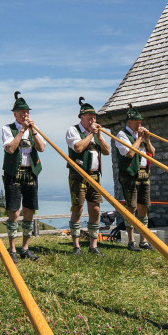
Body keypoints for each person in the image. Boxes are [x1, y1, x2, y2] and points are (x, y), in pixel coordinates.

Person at [1, 91, 43, 261]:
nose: (25, 115)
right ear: (15, 114)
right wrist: (22, 131)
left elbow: (41, 148)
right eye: (22, 112)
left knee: (29, 210)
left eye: (27, 112)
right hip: (14, 173)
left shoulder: (34, 129)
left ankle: (25, 248)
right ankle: (12, 249)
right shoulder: (7, 128)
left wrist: (32, 131)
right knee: (14, 212)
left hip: (31, 172)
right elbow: (10, 149)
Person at [65, 97, 110, 255]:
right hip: (78, 175)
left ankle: (93, 245)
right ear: (82, 118)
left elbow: (106, 151)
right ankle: (76, 246)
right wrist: (91, 134)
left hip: (95, 176)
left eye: (95, 117)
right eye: (90, 117)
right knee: (78, 208)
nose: (93, 120)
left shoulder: (96, 133)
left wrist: (98, 136)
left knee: (96, 209)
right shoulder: (73, 130)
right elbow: (78, 147)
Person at [115, 105, 155, 251]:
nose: (140, 124)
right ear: (129, 121)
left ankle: (143, 241)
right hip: (130, 175)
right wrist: (138, 138)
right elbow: (130, 153)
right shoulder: (122, 135)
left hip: (144, 174)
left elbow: (152, 152)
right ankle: (131, 241)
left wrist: (147, 139)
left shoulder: (141, 136)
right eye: (137, 121)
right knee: (131, 207)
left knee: (144, 206)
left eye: (140, 121)